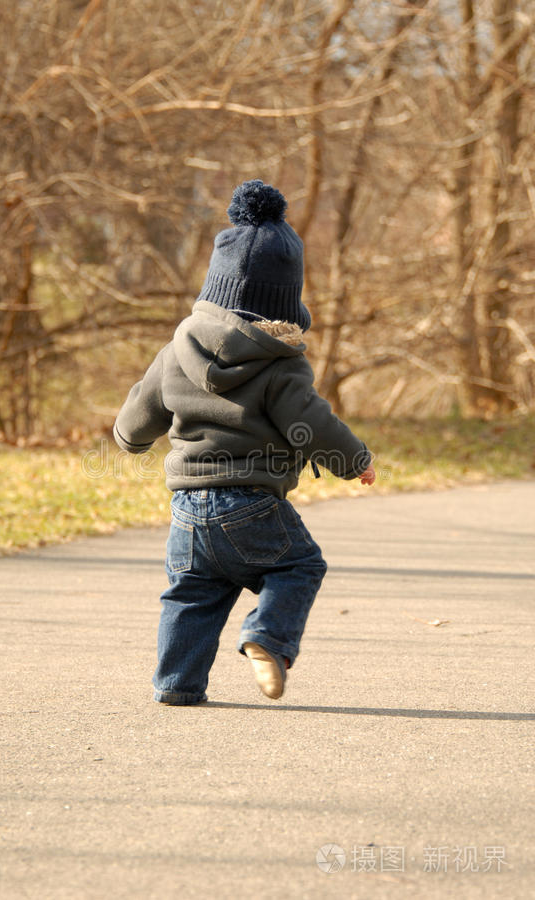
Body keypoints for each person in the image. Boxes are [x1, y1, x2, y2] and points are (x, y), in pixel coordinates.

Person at [113, 179, 376, 705]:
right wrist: (354, 461)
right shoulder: (280, 363)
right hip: (252, 503)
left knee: (193, 594)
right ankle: (267, 637)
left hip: (187, 508)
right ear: (287, 301)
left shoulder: (177, 349)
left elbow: (142, 409)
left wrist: (129, 440)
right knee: (300, 566)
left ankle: (177, 684)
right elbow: (311, 423)